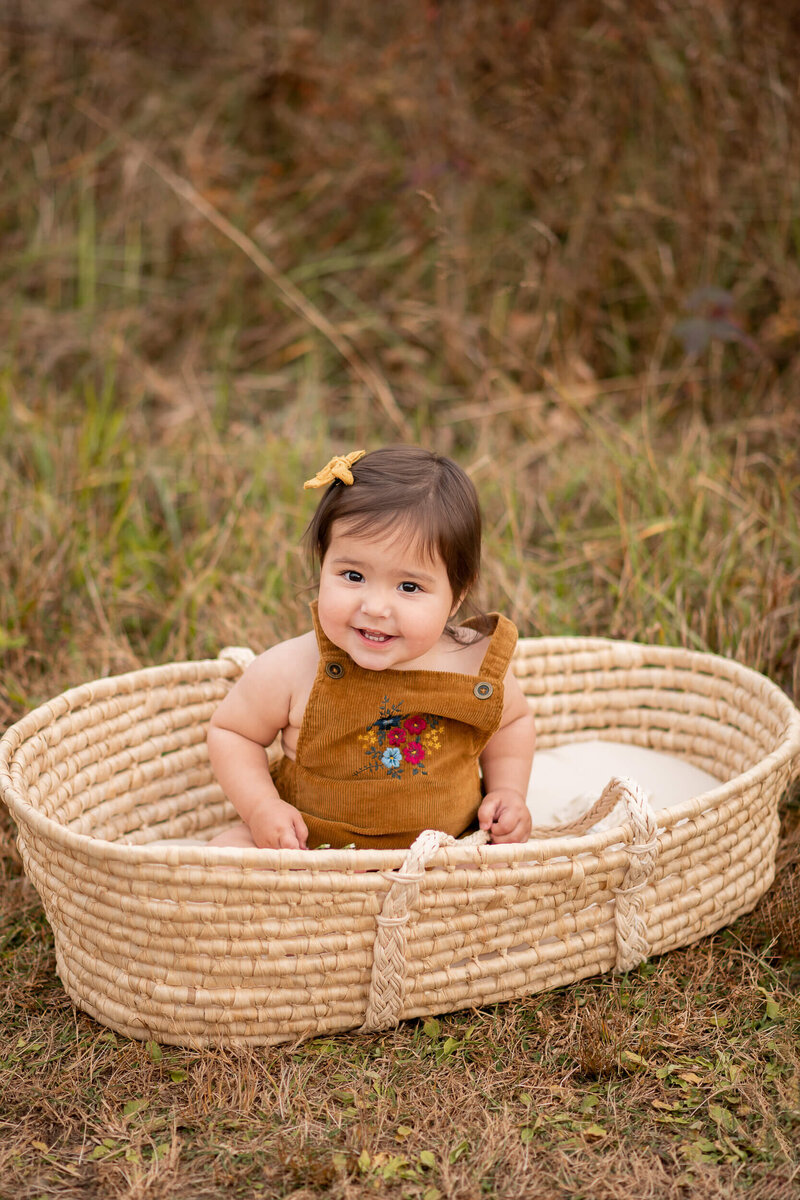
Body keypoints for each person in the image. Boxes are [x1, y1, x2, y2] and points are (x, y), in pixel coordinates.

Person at [207, 446, 535, 850]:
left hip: (445, 857)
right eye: (353, 575)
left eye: (409, 587)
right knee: (220, 865)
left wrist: (508, 791)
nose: (375, 607)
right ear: (322, 564)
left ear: (456, 596)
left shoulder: (472, 664)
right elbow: (232, 732)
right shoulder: (296, 665)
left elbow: (512, 723)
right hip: (305, 852)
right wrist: (261, 809)